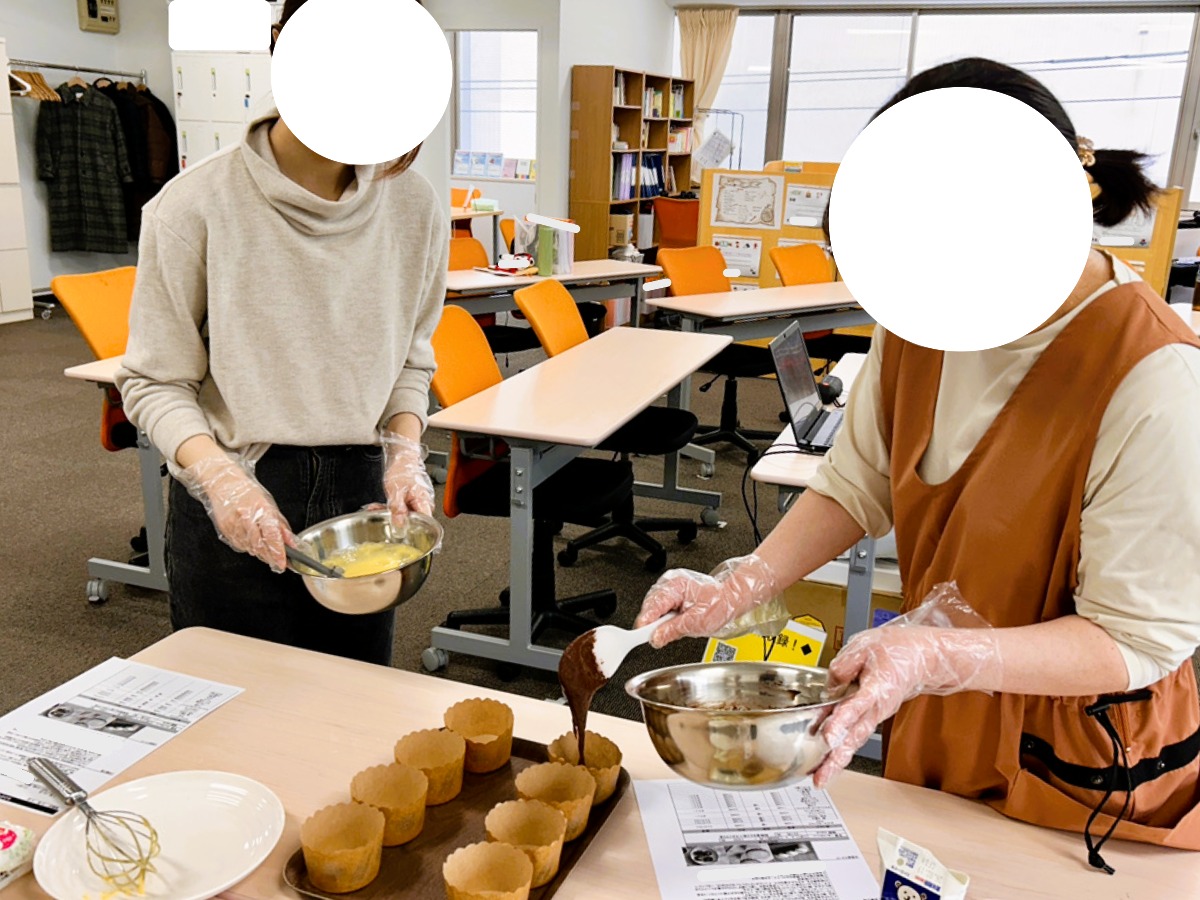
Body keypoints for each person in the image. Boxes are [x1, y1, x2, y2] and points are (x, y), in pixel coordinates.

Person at [635, 58, 1200, 866]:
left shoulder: (1156, 377)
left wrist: (943, 654)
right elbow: (859, 480)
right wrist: (745, 581)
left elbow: (1137, 638)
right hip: (944, 704)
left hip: (1083, 754)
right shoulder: (927, 309)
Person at [116, 0, 447, 667]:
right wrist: (221, 481)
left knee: (354, 698)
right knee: (229, 695)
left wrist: (404, 450)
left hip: (361, 486)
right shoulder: (193, 207)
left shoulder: (415, 207)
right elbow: (154, 382)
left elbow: (411, 359)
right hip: (237, 476)